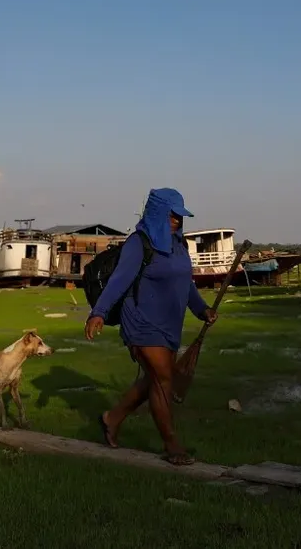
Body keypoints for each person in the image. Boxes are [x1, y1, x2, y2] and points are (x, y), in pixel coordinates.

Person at [84, 187, 217, 465]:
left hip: (169, 324)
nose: (177, 221)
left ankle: (112, 418)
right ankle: (172, 446)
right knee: (164, 380)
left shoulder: (179, 245)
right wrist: (99, 312)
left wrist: (201, 309)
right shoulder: (139, 243)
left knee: (153, 380)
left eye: (180, 217)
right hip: (142, 321)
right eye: (172, 216)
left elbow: (186, 284)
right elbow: (119, 280)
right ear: (157, 213)